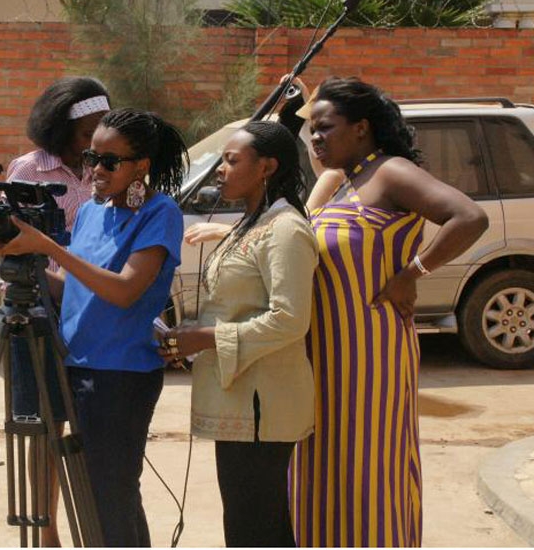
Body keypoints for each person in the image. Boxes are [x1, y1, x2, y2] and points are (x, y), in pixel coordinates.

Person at [290, 77, 488, 547]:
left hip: (368, 356)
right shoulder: (341, 182)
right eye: (312, 130)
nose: (316, 138)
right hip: (321, 356)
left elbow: (469, 216)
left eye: (326, 128)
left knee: (369, 468)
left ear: (361, 128)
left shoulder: (391, 172)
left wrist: (412, 272)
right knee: (322, 469)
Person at [0, 107, 187, 546]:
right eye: (90, 158)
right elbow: (71, 290)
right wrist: (14, 257)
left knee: (110, 495)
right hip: (73, 366)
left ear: (141, 166)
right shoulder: (91, 213)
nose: (95, 170)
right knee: (85, 491)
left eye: (109, 161)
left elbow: (124, 291)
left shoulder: (160, 213)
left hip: (120, 377)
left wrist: (48, 246)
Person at [159, 121, 318, 547]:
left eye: (231, 161)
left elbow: (289, 318)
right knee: (250, 520)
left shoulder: (286, 230)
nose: (220, 171)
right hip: (242, 402)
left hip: (264, 406)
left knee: (256, 524)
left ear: (266, 166)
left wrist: (204, 337)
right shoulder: (252, 223)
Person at [4, 76, 110, 547]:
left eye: (102, 131)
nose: (94, 143)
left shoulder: (107, 171)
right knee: (44, 429)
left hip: (91, 317)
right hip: (38, 314)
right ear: (62, 128)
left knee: (85, 429)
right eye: (87, 133)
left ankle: (93, 528)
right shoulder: (28, 169)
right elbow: (4, 241)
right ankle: (46, 533)